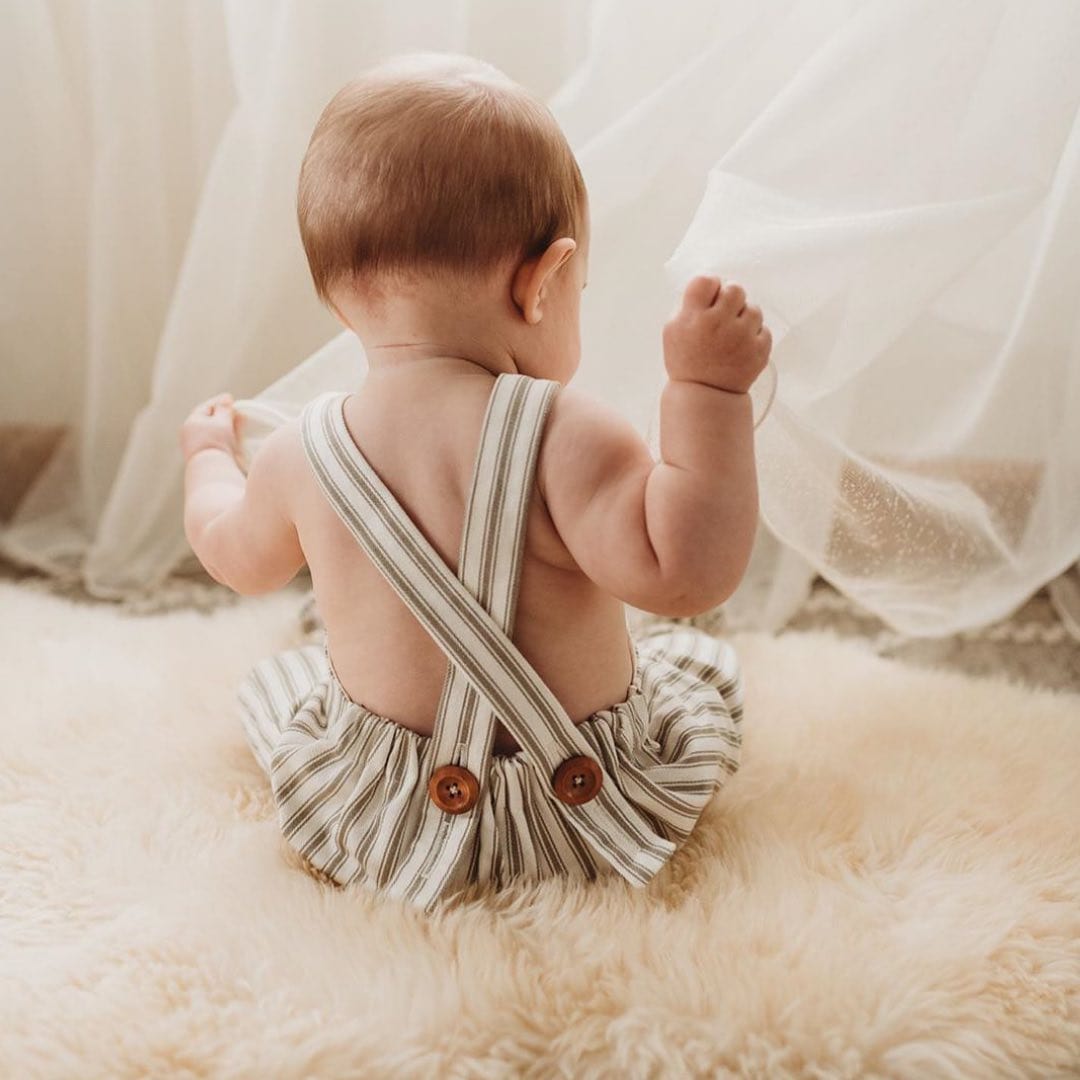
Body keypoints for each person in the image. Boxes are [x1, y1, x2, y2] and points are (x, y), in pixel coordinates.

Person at [178, 52, 770, 913]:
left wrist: (206, 460)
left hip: (390, 816)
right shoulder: (567, 431)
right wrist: (709, 395)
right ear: (541, 282)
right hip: (580, 800)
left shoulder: (297, 456)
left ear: (341, 304)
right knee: (694, 670)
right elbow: (687, 573)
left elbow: (232, 553)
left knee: (299, 678)